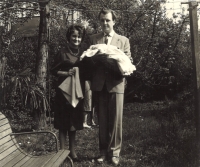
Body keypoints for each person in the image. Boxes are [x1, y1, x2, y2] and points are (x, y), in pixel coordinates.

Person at [83, 9, 132, 165]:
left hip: (116, 84)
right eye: (102, 20)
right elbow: (87, 62)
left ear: (114, 21)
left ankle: (115, 153)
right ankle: (103, 152)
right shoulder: (93, 39)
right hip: (99, 84)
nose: (105, 23)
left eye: (108, 20)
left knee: (116, 121)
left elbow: (128, 62)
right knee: (102, 120)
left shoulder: (123, 40)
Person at [51, 24, 88, 161]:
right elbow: (53, 71)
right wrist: (67, 73)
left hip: (77, 91)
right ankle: (62, 152)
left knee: (73, 122)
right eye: (74, 36)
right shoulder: (62, 52)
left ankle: (72, 152)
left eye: (79, 36)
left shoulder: (84, 53)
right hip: (63, 92)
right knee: (63, 123)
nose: (76, 39)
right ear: (69, 37)